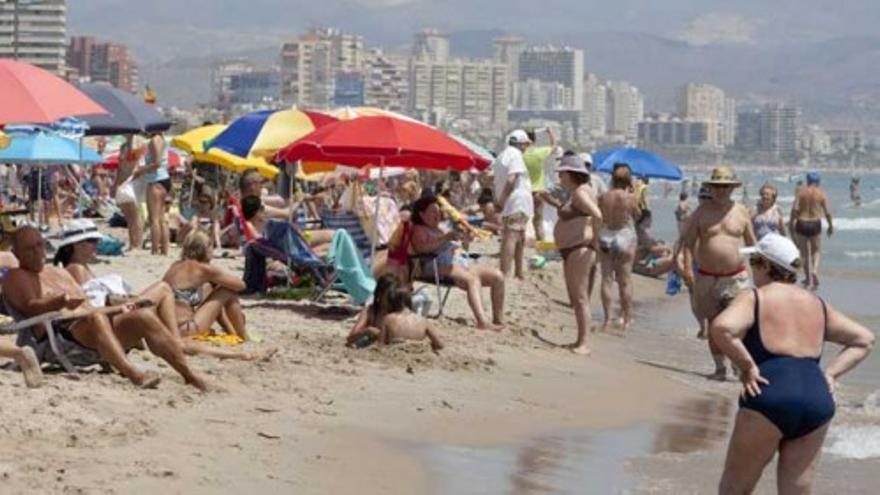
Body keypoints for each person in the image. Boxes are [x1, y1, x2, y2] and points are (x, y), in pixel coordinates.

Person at [711, 233, 874, 494]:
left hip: (770, 395)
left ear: (766, 266)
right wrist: (830, 374)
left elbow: (722, 329)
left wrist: (747, 366)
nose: (751, 268)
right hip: (816, 400)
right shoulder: (817, 303)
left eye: (754, 261)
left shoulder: (755, 297)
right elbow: (864, 339)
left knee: (734, 488)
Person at [4, 226, 207, 390]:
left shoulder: (59, 272)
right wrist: (60, 302)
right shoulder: (15, 277)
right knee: (96, 318)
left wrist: (120, 307)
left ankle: (189, 375)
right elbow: (31, 307)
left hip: (93, 326)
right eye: (29, 249)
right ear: (16, 253)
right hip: (61, 336)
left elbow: (89, 305)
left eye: (40, 245)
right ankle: (133, 374)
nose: (37, 252)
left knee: (142, 316)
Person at [55, 221, 267, 362]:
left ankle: (235, 340)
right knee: (223, 291)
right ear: (74, 246)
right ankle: (242, 338)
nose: (96, 245)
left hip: (141, 317)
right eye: (92, 241)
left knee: (206, 289)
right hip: (132, 320)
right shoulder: (76, 269)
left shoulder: (177, 265)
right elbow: (241, 285)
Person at [677, 166, 756, 380]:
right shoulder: (701, 212)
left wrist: (759, 273)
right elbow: (689, 244)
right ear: (711, 188)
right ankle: (720, 368)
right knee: (713, 324)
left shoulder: (741, 212)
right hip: (707, 277)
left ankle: (739, 365)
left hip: (736, 277)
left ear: (732, 188)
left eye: (726, 187)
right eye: (717, 187)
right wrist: (686, 269)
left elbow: (751, 244)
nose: (721, 192)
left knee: (737, 324)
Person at [410, 196, 505, 331]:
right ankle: (482, 321)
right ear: (421, 214)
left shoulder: (440, 229)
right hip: (435, 265)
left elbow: (459, 249)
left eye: (438, 211)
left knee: (498, 276)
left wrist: (465, 241)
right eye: (433, 212)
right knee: (472, 280)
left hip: (457, 262)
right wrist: (445, 238)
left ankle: (498, 319)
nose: (438, 214)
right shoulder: (419, 229)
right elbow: (421, 249)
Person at [542, 155, 602, 354]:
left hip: (579, 248)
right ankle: (579, 340)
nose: (559, 176)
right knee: (577, 297)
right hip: (573, 248)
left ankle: (584, 343)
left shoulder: (580, 194)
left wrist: (594, 241)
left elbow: (598, 214)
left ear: (570, 174)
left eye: (562, 173)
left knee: (580, 297)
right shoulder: (577, 192)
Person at [163, 230, 249, 341]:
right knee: (227, 291)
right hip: (185, 329)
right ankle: (243, 336)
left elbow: (214, 304)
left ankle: (231, 331)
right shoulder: (203, 269)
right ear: (206, 248)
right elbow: (241, 285)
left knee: (210, 289)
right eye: (211, 246)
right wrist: (217, 278)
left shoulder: (175, 265)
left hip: (167, 328)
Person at [346, 273, 443, 352]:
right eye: (388, 297)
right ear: (379, 295)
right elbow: (350, 339)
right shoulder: (371, 311)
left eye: (393, 297)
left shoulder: (398, 312)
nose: (391, 300)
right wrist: (367, 330)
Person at [597, 164, 641, 333]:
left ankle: (607, 319)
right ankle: (626, 318)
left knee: (607, 279)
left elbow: (599, 214)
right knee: (625, 280)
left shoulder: (603, 196)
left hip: (606, 233)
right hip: (624, 234)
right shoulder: (630, 198)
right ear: (629, 180)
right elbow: (636, 216)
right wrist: (633, 192)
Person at [492, 129, 533, 280]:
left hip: (512, 201)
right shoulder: (515, 155)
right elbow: (511, 179)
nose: (526, 148)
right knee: (512, 234)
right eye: (525, 145)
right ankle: (505, 271)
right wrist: (502, 199)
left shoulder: (502, 156)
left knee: (519, 235)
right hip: (517, 200)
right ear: (521, 144)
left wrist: (498, 199)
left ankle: (518, 272)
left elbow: (496, 180)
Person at [790, 171, 833, 291]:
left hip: (802, 222)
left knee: (804, 253)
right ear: (818, 181)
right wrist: (830, 226)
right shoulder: (821, 193)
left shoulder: (800, 192)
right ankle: (814, 271)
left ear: (807, 180)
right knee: (816, 251)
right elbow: (827, 212)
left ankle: (808, 278)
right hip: (815, 223)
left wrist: (792, 223)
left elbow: (794, 208)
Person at [522, 128, 559, 242]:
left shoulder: (519, 154)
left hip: (523, 192)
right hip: (537, 192)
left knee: (521, 222)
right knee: (538, 221)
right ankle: (541, 244)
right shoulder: (538, 153)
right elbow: (554, 147)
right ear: (534, 140)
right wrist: (550, 132)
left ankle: (520, 245)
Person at [113, 135, 146, 251]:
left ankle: (138, 243)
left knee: (135, 215)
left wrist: (133, 139)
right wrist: (115, 184)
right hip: (124, 181)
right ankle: (133, 243)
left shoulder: (139, 143)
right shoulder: (123, 146)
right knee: (129, 216)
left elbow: (137, 162)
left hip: (133, 181)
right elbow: (120, 167)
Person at [143, 132, 171, 255]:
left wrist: (141, 170)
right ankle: (164, 249)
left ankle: (155, 249)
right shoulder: (162, 140)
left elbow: (157, 163)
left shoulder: (154, 140)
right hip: (164, 179)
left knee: (154, 218)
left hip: (155, 179)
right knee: (162, 219)